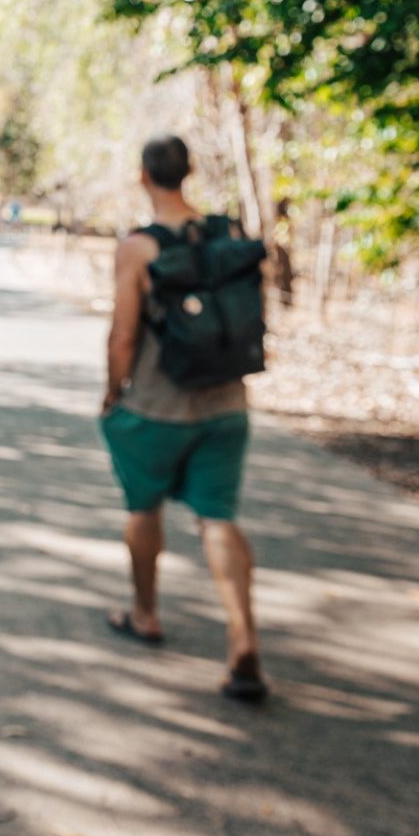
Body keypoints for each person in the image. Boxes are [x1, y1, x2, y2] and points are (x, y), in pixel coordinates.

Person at [99, 134, 267, 702]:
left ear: (144, 175)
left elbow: (123, 335)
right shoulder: (229, 233)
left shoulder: (139, 247)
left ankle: (145, 612)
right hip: (225, 406)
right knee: (218, 517)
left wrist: (111, 392)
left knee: (143, 508)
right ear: (189, 172)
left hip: (155, 407)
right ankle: (242, 637)